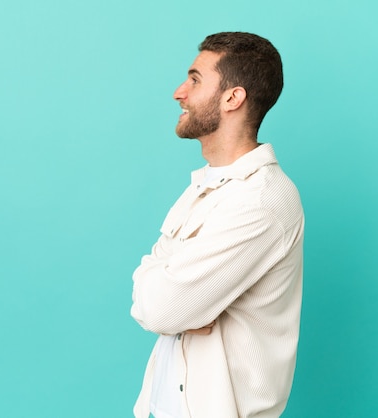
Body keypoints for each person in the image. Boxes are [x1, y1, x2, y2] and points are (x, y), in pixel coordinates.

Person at [130, 32, 304, 418]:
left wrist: (176, 300)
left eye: (194, 79)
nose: (179, 92)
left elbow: (160, 310)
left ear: (232, 98)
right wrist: (185, 304)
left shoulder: (261, 201)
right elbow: (149, 288)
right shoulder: (205, 186)